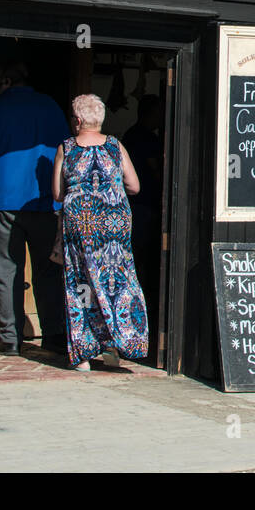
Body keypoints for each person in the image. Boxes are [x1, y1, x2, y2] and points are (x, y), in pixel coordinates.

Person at [0, 60, 70, 356]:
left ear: (4, 80)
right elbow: (68, 152)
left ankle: (10, 339)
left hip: (0, 201)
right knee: (48, 270)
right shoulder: (51, 107)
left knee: (6, 271)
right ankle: (54, 334)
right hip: (46, 201)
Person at [53, 93, 149, 371]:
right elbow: (135, 186)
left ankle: (83, 354)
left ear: (79, 120)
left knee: (81, 284)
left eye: (73, 117)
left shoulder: (67, 147)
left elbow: (58, 193)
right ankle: (117, 345)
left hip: (81, 226)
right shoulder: (115, 146)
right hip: (114, 227)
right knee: (116, 282)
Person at [122, 94, 164, 334]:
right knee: (141, 257)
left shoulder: (130, 134)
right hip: (143, 204)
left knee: (138, 256)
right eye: (158, 112)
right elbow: (156, 170)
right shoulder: (144, 137)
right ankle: (141, 306)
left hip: (137, 204)